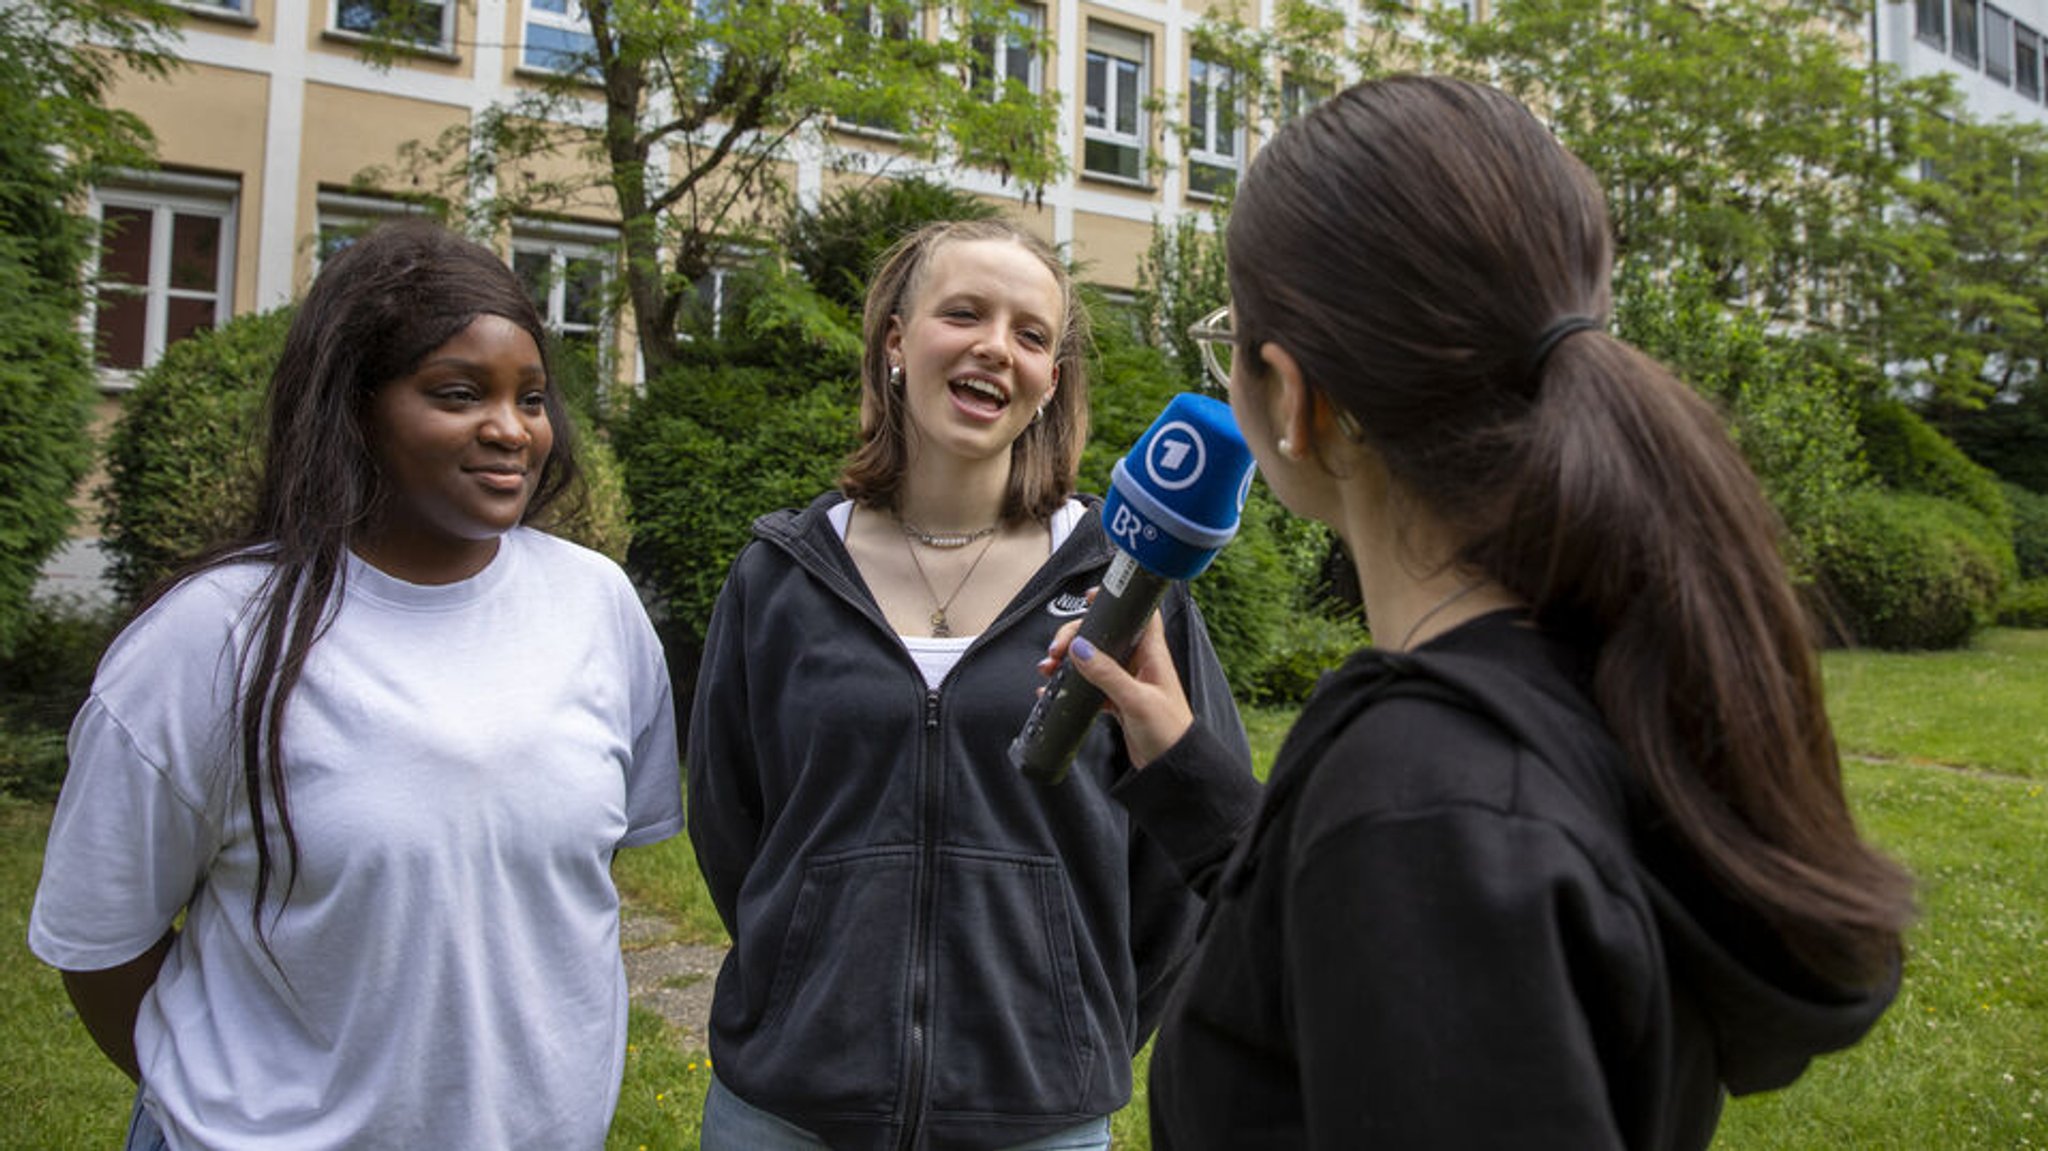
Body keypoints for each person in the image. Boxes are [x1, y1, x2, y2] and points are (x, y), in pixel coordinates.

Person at [1046, 75, 1914, 1149]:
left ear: (1290, 392)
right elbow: (1373, 964)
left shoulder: (1423, 807)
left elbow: (1423, 887)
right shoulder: (1572, 678)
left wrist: (1379, 820)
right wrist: (1185, 768)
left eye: (1224, 336)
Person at [28, 217, 682, 1151]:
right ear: (354, 407)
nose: (510, 429)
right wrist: (246, 1101)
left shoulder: (595, 604)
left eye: (531, 398)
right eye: (458, 393)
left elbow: (555, 875)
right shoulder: (212, 639)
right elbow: (102, 948)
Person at [685, 218, 1260, 1151]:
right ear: (897, 343)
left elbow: (1184, 859)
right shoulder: (780, 576)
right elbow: (734, 829)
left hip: (1035, 1117)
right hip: (787, 1113)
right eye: (964, 313)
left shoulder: (1123, 587)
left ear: (1049, 386)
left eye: (1032, 335)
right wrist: (806, 980)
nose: (998, 346)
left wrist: (1075, 1025)